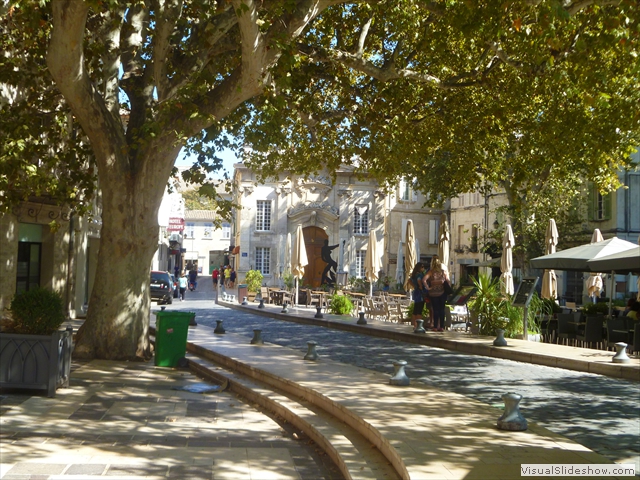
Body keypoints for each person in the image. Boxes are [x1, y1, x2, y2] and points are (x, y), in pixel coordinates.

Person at [423, 255, 450, 332]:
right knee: (442, 309)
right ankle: (441, 326)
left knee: (435, 310)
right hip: (442, 292)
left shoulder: (430, 272)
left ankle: (435, 326)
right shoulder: (442, 272)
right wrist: (447, 287)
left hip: (433, 293)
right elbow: (448, 280)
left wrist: (428, 287)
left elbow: (424, 280)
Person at [409, 262, 426, 329]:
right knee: (419, 309)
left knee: (415, 310)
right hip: (420, 294)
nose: (423, 268)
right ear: (419, 268)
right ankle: (418, 325)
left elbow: (409, 281)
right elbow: (419, 280)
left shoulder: (414, 274)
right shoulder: (419, 275)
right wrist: (421, 286)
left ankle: (414, 325)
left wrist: (415, 286)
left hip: (416, 293)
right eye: (422, 267)